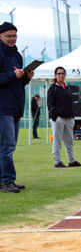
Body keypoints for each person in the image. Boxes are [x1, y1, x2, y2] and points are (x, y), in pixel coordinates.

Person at [0, 22, 34, 193]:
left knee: (9, 145)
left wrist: (26, 77)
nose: (12, 39)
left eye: (14, 35)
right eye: (9, 36)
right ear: (1, 36)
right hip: (3, 107)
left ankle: (5, 180)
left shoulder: (18, 55)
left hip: (16, 106)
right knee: (7, 146)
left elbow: (18, 83)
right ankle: (7, 181)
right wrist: (12, 74)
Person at [47, 66, 81, 168]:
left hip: (69, 118)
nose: (61, 75)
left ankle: (71, 160)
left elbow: (70, 103)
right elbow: (50, 104)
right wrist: (55, 116)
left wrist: (72, 116)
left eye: (63, 73)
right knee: (57, 141)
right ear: (55, 75)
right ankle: (57, 161)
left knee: (69, 141)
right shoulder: (53, 88)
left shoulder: (67, 87)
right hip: (58, 118)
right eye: (59, 73)